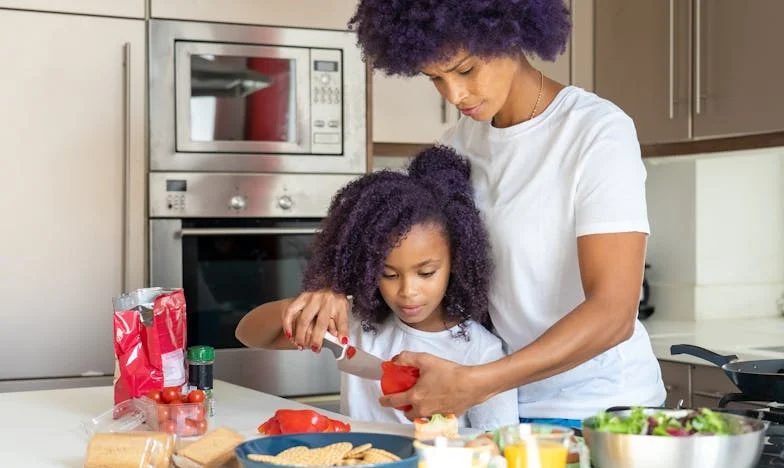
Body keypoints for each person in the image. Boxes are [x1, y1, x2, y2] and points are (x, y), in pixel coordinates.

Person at [278, 0, 667, 429]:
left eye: (465, 70)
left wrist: (478, 381)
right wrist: (331, 284)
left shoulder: (594, 132)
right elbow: (391, 227)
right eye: (435, 79)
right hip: (505, 405)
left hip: (601, 409)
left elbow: (613, 313)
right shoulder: (459, 143)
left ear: (511, 34)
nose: (454, 95)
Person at [235, 145, 520, 431]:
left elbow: (499, 443)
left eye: (426, 273)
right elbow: (249, 335)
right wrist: (295, 308)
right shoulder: (356, 324)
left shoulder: (482, 353)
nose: (408, 290)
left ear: (456, 262)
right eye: (389, 274)